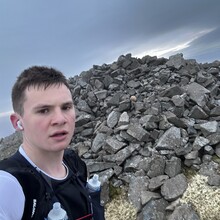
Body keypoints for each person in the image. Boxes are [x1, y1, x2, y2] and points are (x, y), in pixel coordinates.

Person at [0, 66, 104, 219]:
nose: (60, 119)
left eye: (66, 107)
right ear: (17, 122)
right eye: (44, 110)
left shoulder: (74, 162)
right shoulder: (9, 185)